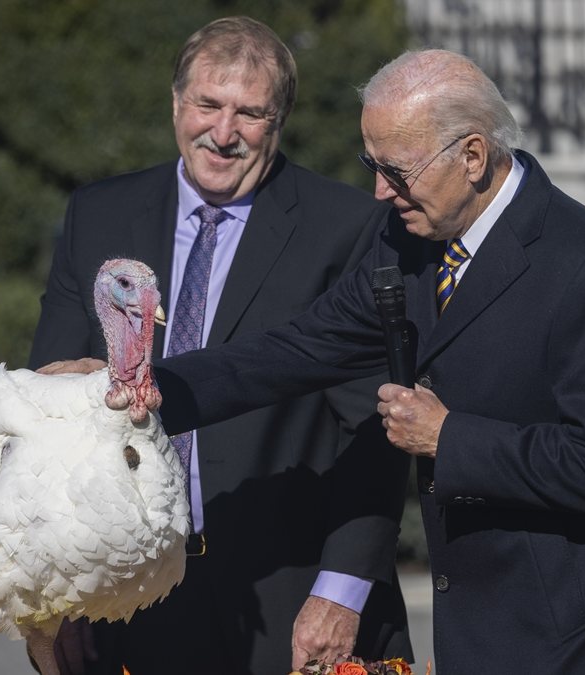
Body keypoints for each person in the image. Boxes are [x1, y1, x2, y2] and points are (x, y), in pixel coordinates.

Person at [46, 48, 585, 674]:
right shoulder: (407, 238)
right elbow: (299, 348)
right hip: (478, 632)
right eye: (371, 164)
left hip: (579, 637)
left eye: (397, 170)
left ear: (473, 156)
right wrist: (146, 384)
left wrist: (447, 437)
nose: (380, 191)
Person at [27, 16, 413, 675]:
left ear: (280, 120)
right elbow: (47, 407)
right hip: (125, 597)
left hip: (288, 595)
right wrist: (52, 596)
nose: (223, 132)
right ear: (177, 102)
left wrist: (343, 589)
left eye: (250, 113)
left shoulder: (348, 229)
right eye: (208, 103)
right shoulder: (99, 214)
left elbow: (374, 428)